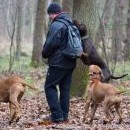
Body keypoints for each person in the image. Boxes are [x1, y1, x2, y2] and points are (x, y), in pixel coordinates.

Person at [42, 2, 79, 123]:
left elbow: (51, 43)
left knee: (49, 87)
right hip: (70, 61)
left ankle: (57, 115)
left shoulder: (57, 25)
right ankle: (64, 115)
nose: (49, 17)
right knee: (65, 89)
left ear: (53, 13)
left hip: (58, 62)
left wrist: (44, 53)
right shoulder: (70, 22)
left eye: (49, 15)